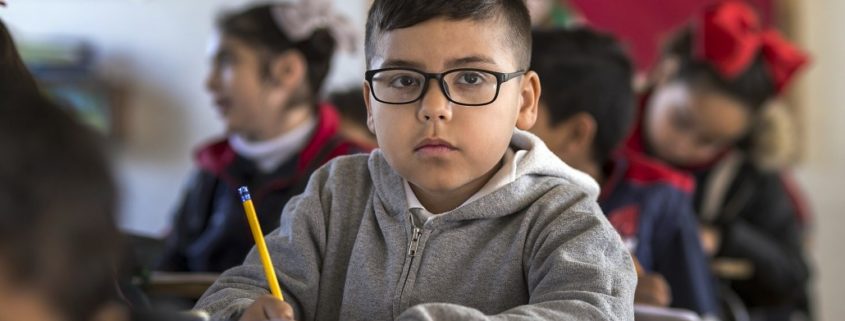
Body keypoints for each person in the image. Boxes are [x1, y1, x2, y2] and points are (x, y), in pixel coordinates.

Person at [194, 0, 637, 320]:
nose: (434, 108)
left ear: (524, 101)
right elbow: (236, 291)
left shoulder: (565, 219)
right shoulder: (336, 194)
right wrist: (242, 313)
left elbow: (591, 312)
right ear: (370, 105)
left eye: (470, 78)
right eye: (403, 79)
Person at [623, 1, 812, 319]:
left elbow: (794, 276)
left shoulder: (746, 175)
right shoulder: (605, 138)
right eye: (681, 121)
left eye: (709, 141)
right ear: (667, 71)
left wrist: (725, 238)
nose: (684, 145)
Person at [158, 2, 370, 273]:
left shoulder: (352, 174)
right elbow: (166, 271)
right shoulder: (212, 168)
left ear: (287, 71)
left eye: (226, 61)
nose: (209, 83)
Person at [530, 28, 719, 318]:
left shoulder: (659, 196)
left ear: (576, 134)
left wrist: (635, 303)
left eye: (523, 104)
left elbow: (698, 312)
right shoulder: (489, 193)